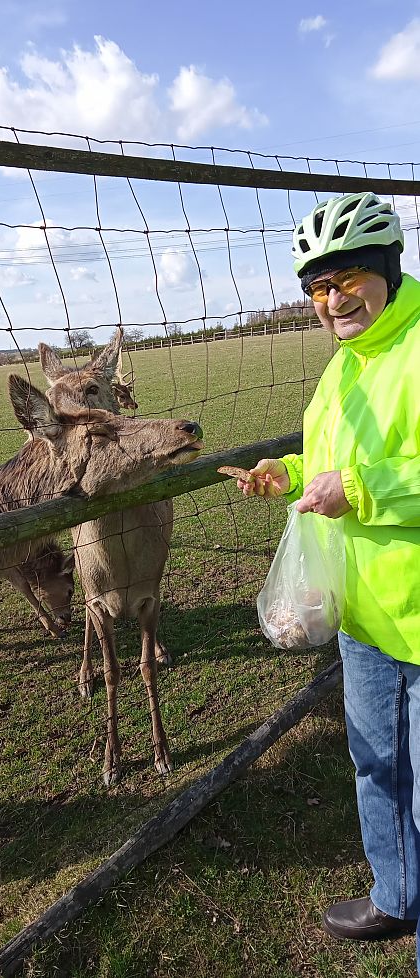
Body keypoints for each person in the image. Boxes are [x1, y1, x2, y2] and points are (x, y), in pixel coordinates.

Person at [222, 191, 420, 971]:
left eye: (345, 281)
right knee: (375, 763)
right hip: (365, 621)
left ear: (386, 270)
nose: (331, 301)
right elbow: (332, 462)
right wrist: (289, 472)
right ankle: (397, 894)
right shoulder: (342, 369)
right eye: (316, 288)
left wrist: (359, 489)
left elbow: (364, 480)